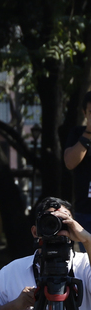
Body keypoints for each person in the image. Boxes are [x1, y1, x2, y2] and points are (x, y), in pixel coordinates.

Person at [60, 90, 91, 227]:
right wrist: (88, 133)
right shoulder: (77, 133)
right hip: (85, 211)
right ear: (85, 113)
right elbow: (70, 163)